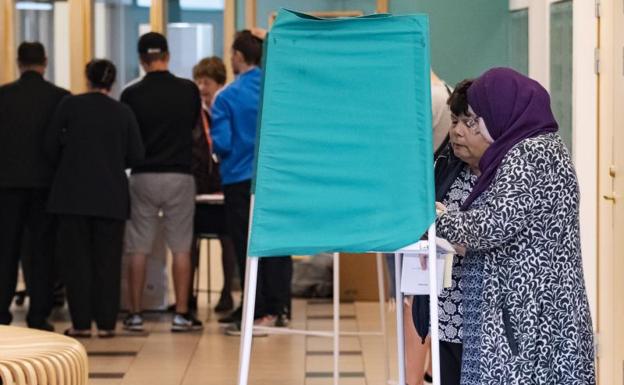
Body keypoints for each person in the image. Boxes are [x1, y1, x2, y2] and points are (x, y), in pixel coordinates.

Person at [436, 68, 595, 384]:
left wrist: (439, 219)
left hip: (525, 310)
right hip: (541, 307)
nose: (473, 127)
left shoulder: (527, 153)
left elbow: (492, 225)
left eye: (476, 120)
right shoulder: (544, 146)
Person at [45, 59, 144, 338]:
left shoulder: (69, 106)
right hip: (111, 196)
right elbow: (137, 154)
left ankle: (81, 324)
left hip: (71, 195)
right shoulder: (123, 112)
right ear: (111, 83)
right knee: (108, 263)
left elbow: (49, 146)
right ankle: (107, 323)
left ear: (87, 78)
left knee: (76, 263)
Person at [211, 30, 293, 333]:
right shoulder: (277, 90)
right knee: (278, 244)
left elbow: (222, 143)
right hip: (278, 179)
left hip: (239, 180)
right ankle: (278, 307)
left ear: (238, 56)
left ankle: (256, 310)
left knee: (248, 246)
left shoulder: (227, 97)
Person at [121, 32, 203, 332]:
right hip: (179, 175)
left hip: (142, 176)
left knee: (138, 247)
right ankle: (182, 314)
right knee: (181, 247)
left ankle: (135, 314)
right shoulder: (189, 90)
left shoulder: (131, 95)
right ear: (167, 55)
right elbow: (195, 130)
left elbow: (127, 138)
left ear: (142, 60)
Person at [0, 42, 70, 331]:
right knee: (41, 251)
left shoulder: (2, 96)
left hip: (5, 186)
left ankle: (1, 313)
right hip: (45, 186)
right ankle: (38, 315)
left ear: (18, 63)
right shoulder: (60, 98)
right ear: (46, 62)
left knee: (5, 250)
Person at [191, 56, 237, 312]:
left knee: (227, 238)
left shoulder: (226, 106)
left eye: (206, 82)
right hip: (200, 188)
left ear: (219, 83)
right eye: (198, 81)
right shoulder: (195, 114)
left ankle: (226, 292)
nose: (201, 87)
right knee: (190, 238)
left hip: (224, 185)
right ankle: (188, 295)